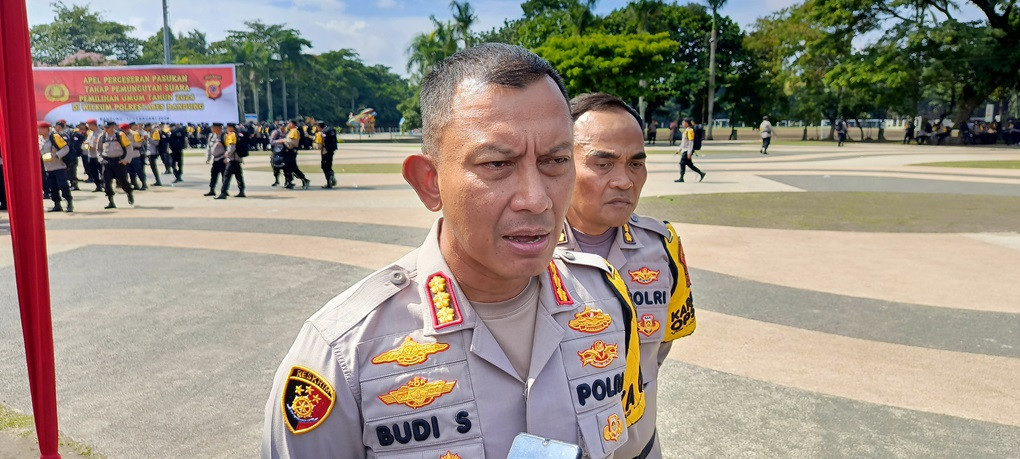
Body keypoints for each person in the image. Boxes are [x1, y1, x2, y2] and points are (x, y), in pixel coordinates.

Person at [263, 43, 644, 458]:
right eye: (496, 165)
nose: (536, 200)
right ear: (429, 182)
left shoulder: (606, 301)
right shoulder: (343, 355)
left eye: (555, 161)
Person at [562, 92, 697, 458]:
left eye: (636, 164)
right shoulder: (529, 253)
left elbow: (660, 347)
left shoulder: (662, 247)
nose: (624, 180)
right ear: (561, 163)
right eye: (603, 164)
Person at [97, 121, 135, 209]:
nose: (105, 129)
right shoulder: (102, 136)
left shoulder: (120, 135)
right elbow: (98, 150)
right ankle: (111, 201)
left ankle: (129, 192)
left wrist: (126, 160)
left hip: (118, 162)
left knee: (122, 181)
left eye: (107, 127)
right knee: (106, 182)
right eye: (104, 127)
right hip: (107, 162)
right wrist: (101, 159)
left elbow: (129, 147)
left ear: (112, 127)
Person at [39, 121, 73, 212]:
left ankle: (69, 203)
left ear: (46, 129)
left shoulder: (54, 137)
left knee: (63, 185)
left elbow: (66, 148)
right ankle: (57, 204)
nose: (39, 131)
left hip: (59, 166)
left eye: (40, 129)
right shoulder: (40, 140)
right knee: (53, 187)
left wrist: (57, 155)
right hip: (48, 167)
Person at [272, 120, 310, 190]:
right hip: (288, 152)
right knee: (287, 167)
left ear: (292, 124)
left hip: (291, 151)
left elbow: (292, 142)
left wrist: (282, 141)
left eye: (289, 123)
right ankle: (289, 182)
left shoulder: (294, 131)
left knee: (292, 167)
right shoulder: (291, 131)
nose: (287, 125)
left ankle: (304, 180)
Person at [217, 123, 246, 199]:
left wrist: (226, 156)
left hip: (232, 159)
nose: (227, 129)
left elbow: (231, 148)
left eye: (228, 127)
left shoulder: (232, 135)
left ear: (231, 128)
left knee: (226, 176)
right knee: (239, 176)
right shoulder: (238, 134)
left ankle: (223, 192)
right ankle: (241, 191)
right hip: (238, 159)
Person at [674, 118, 705, 183]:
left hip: (687, 150)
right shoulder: (686, 130)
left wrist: (689, 152)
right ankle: (701, 173)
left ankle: (681, 178)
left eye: (683, 122)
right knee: (689, 164)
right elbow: (684, 142)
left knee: (682, 163)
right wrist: (679, 149)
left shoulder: (690, 131)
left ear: (687, 123)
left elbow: (691, 142)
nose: (682, 123)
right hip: (685, 150)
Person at [205, 122, 228, 196]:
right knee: (213, 175)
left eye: (213, 127)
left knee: (224, 175)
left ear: (218, 128)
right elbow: (209, 147)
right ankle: (212, 189)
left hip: (222, 158)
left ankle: (224, 191)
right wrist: (208, 158)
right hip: (215, 159)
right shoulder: (211, 136)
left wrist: (227, 158)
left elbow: (228, 147)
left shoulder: (224, 136)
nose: (212, 129)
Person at [64, 121, 86, 191]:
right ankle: (72, 184)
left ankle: (74, 185)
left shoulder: (74, 134)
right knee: (70, 171)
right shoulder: (67, 134)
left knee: (72, 171)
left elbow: (81, 140)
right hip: (69, 155)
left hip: (72, 156)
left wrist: (78, 152)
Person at [317, 121, 338, 188]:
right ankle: (331, 175)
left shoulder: (323, 132)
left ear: (319, 126)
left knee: (324, 166)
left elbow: (323, 142)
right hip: (331, 150)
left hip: (326, 151)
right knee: (328, 165)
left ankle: (329, 181)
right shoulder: (330, 129)